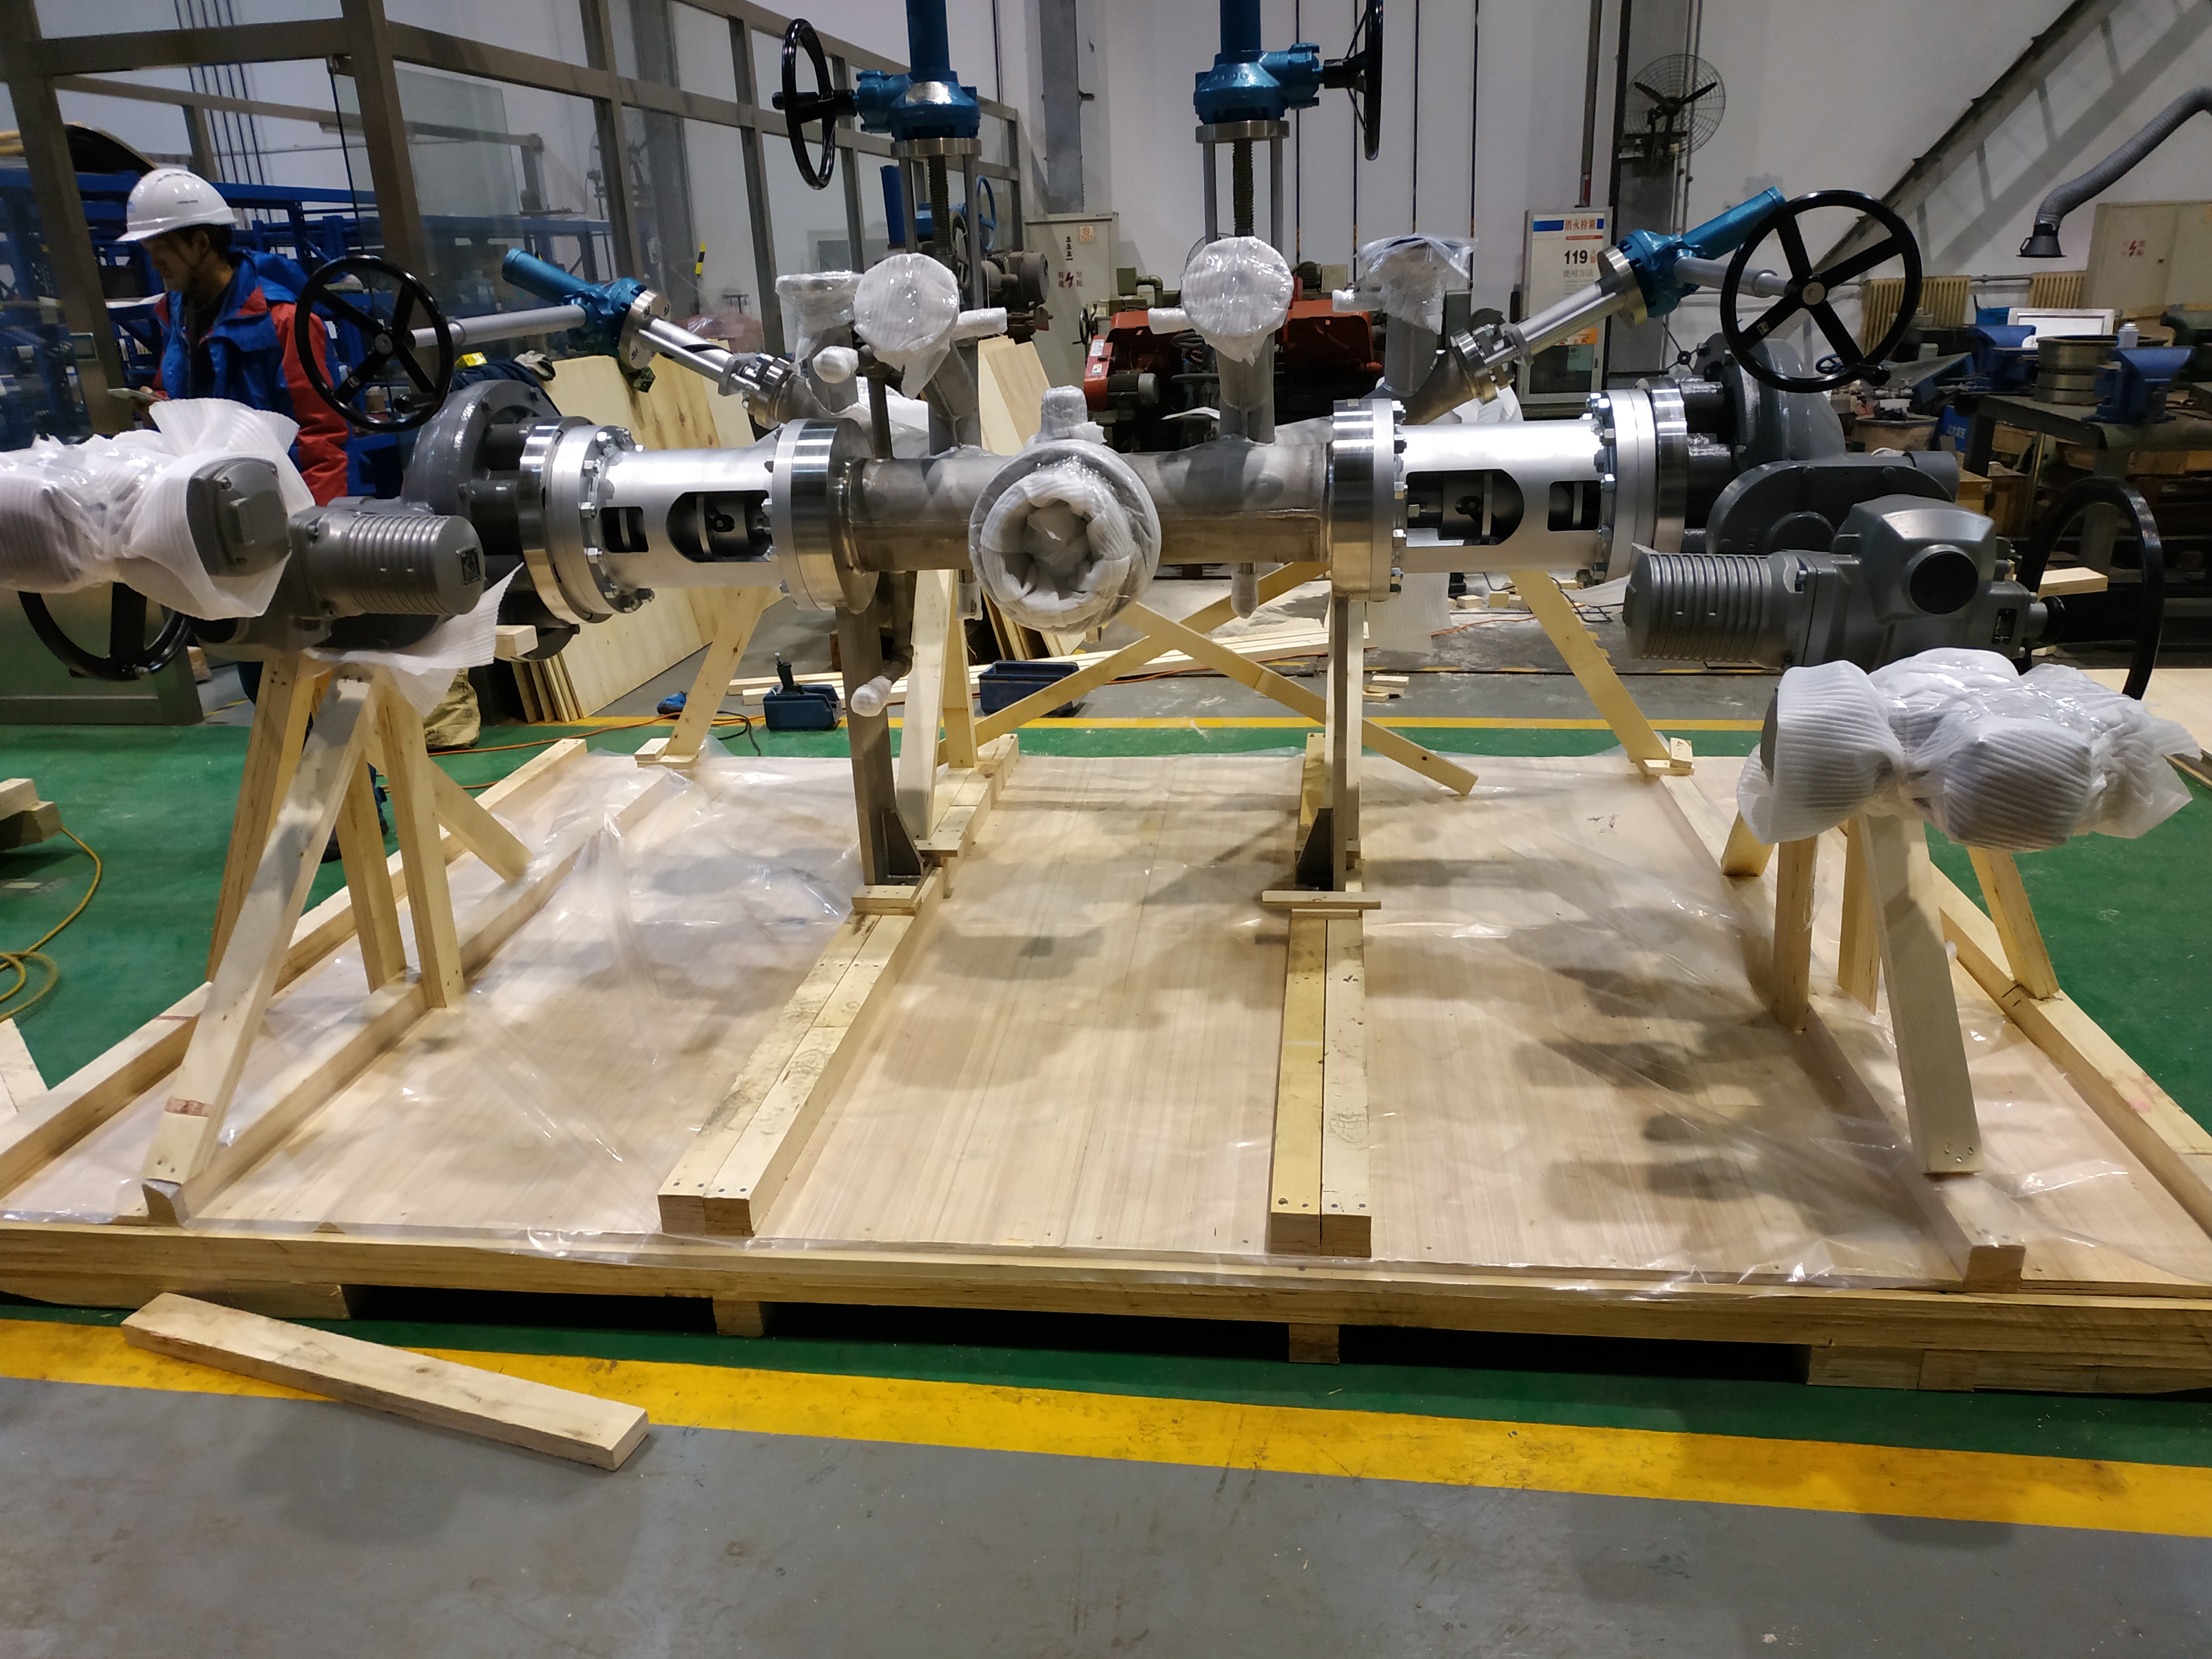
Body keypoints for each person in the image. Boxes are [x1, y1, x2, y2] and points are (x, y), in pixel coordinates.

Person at [116, 166, 350, 505]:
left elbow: (321, 437)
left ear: (200, 243)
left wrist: (315, 521)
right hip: (211, 496)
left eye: (160, 251)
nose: (154, 265)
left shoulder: (285, 322)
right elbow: (180, 391)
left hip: (277, 499)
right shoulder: (178, 316)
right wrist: (159, 407)